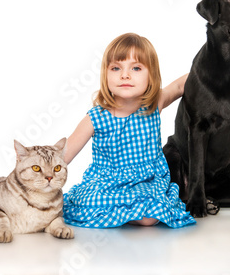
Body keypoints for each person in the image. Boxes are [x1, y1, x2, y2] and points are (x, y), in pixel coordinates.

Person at [62, 33, 196, 228]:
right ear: (105, 75)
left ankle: (127, 211)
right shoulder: (96, 118)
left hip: (146, 182)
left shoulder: (153, 106)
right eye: (116, 68)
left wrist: (210, 66)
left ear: (151, 75)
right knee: (91, 201)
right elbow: (63, 155)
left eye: (136, 68)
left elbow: (178, 86)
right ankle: (122, 210)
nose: (125, 75)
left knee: (150, 217)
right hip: (106, 184)